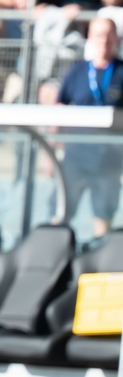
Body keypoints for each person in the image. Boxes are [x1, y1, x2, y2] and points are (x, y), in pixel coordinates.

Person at [57, 17, 123, 239]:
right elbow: (59, 108)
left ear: (117, 38)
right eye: (98, 35)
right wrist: (53, 151)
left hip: (109, 162)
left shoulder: (121, 71)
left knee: (102, 221)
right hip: (75, 157)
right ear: (90, 38)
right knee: (61, 213)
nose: (104, 40)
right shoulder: (77, 71)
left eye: (108, 35)